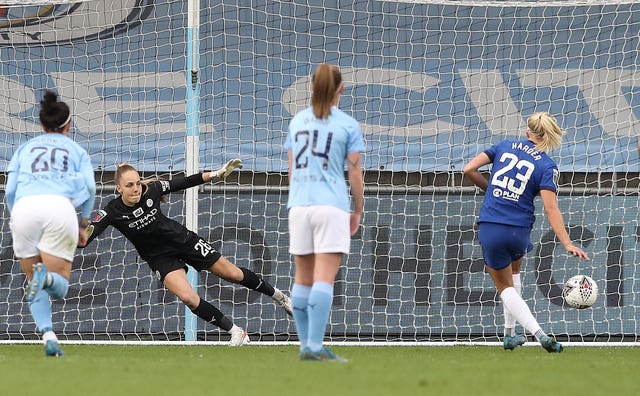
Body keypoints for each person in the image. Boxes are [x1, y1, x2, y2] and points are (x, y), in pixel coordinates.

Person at [79, 161, 292, 346]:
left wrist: (216, 174)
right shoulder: (112, 211)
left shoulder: (152, 189)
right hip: (159, 258)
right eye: (129, 185)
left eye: (137, 183)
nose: (136, 188)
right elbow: (88, 236)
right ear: (118, 189)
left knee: (233, 274)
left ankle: (281, 298)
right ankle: (236, 331)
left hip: (183, 240)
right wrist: (80, 234)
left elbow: (186, 181)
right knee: (189, 298)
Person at [463, 112, 589, 353]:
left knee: (505, 288)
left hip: (492, 225)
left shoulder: (504, 146)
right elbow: (551, 209)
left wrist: (491, 189)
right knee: (515, 272)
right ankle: (509, 334)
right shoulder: (547, 165)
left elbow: (469, 169)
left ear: (527, 131)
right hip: (520, 230)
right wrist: (567, 243)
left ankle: (539, 334)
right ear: (548, 136)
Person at [6, 90, 96, 357]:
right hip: (59, 208)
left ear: (42, 125)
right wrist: (83, 222)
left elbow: (11, 189)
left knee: (33, 279)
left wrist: (17, 213)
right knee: (58, 286)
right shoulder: (77, 150)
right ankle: (46, 283)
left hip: (23, 209)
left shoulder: (25, 149)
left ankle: (48, 335)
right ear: (69, 126)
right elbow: (90, 188)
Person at [285, 63, 364, 362]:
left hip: (299, 205)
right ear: (341, 89)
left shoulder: (297, 122)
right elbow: (354, 173)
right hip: (330, 205)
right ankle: (315, 346)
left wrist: (298, 199)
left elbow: (292, 169)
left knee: (302, 278)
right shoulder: (346, 124)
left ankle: (306, 344)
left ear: (312, 87)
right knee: (324, 278)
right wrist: (357, 209)